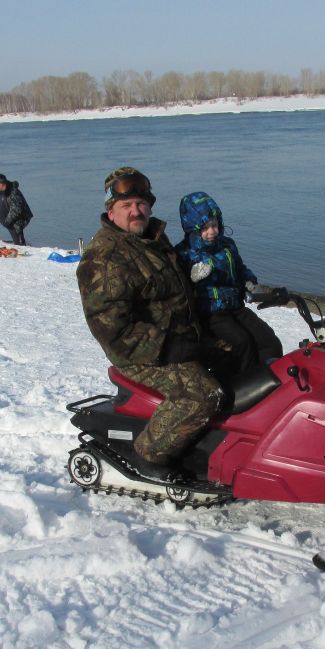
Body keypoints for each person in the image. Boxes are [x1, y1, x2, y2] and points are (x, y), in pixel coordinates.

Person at [76, 167, 224, 480]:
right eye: (126, 205)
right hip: (140, 354)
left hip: (182, 337)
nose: (136, 211)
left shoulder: (151, 239)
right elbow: (113, 330)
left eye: (141, 203)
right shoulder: (105, 258)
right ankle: (149, 454)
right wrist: (170, 345)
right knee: (203, 395)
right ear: (111, 211)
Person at [175, 192, 282, 376]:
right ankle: (246, 383)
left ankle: (273, 376)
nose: (212, 232)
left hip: (236, 306)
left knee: (267, 339)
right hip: (210, 313)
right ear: (192, 228)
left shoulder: (227, 245)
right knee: (242, 342)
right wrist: (191, 278)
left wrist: (248, 281)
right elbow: (177, 287)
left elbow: (240, 268)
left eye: (215, 225)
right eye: (205, 228)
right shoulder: (184, 253)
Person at [0, 173, 32, 245]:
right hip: (3, 215)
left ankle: (20, 241)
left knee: (19, 244)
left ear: (1, 184)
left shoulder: (13, 193)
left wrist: (7, 222)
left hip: (16, 220)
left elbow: (17, 210)